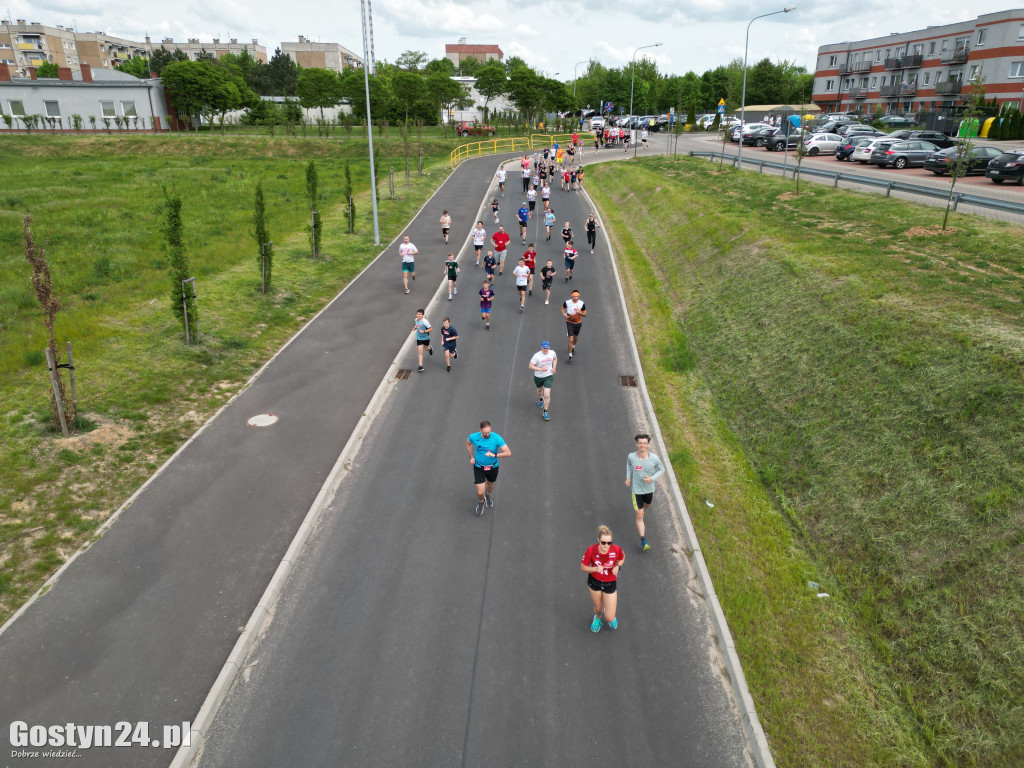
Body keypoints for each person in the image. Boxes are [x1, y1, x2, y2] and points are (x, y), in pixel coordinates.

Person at [580, 525, 625, 632]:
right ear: (598, 541)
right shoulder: (591, 550)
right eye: (603, 542)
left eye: (609, 542)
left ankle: (608, 614)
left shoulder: (616, 549)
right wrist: (595, 568)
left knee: (610, 617)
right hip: (594, 583)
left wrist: (618, 567)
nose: (606, 545)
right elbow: (583, 567)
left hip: (610, 583)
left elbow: (622, 558)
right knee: (598, 608)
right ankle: (597, 618)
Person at [626, 433, 666, 552]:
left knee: (646, 506)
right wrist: (628, 477)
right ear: (637, 444)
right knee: (640, 515)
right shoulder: (631, 457)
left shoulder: (654, 459)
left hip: (649, 490)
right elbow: (629, 465)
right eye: (640, 443)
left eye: (644, 443)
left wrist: (652, 478)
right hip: (636, 491)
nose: (642, 445)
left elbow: (662, 469)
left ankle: (643, 507)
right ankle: (643, 540)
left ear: (648, 445)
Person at [466, 420, 511, 515]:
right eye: (485, 433)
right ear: (480, 430)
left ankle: (488, 495)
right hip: (479, 467)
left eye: (489, 432)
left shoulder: (496, 438)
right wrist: (471, 457)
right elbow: (468, 444)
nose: (487, 435)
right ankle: (481, 501)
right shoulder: (473, 437)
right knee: (480, 491)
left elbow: (508, 453)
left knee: (490, 486)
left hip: (493, 467)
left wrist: (494, 455)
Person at [528, 340, 557, 421]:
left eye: (547, 348)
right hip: (538, 377)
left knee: (547, 394)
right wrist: (540, 369)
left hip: (549, 375)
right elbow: (530, 366)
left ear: (549, 348)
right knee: (539, 390)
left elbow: (555, 358)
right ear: (541, 347)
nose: (545, 350)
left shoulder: (552, 353)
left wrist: (554, 367)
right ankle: (540, 399)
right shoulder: (537, 356)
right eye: (544, 348)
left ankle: (545, 412)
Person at [561, 289, 586, 360]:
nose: (575, 298)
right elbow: (562, 308)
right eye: (574, 296)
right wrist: (564, 314)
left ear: (578, 296)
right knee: (571, 339)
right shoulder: (567, 302)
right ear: (572, 296)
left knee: (575, 337)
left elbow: (585, 314)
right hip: (569, 322)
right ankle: (570, 354)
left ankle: (573, 346)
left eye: (577, 296)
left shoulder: (581, 303)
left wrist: (579, 312)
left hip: (578, 323)